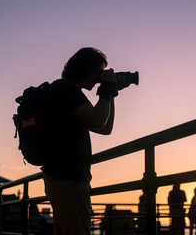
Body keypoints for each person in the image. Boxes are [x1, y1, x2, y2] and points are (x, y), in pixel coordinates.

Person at [40, 47, 130, 235]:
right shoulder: (67, 90)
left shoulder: (63, 90)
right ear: (85, 69)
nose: (99, 79)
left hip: (62, 181)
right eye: (99, 73)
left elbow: (104, 128)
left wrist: (110, 91)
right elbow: (98, 120)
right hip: (69, 182)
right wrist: (106, 88)